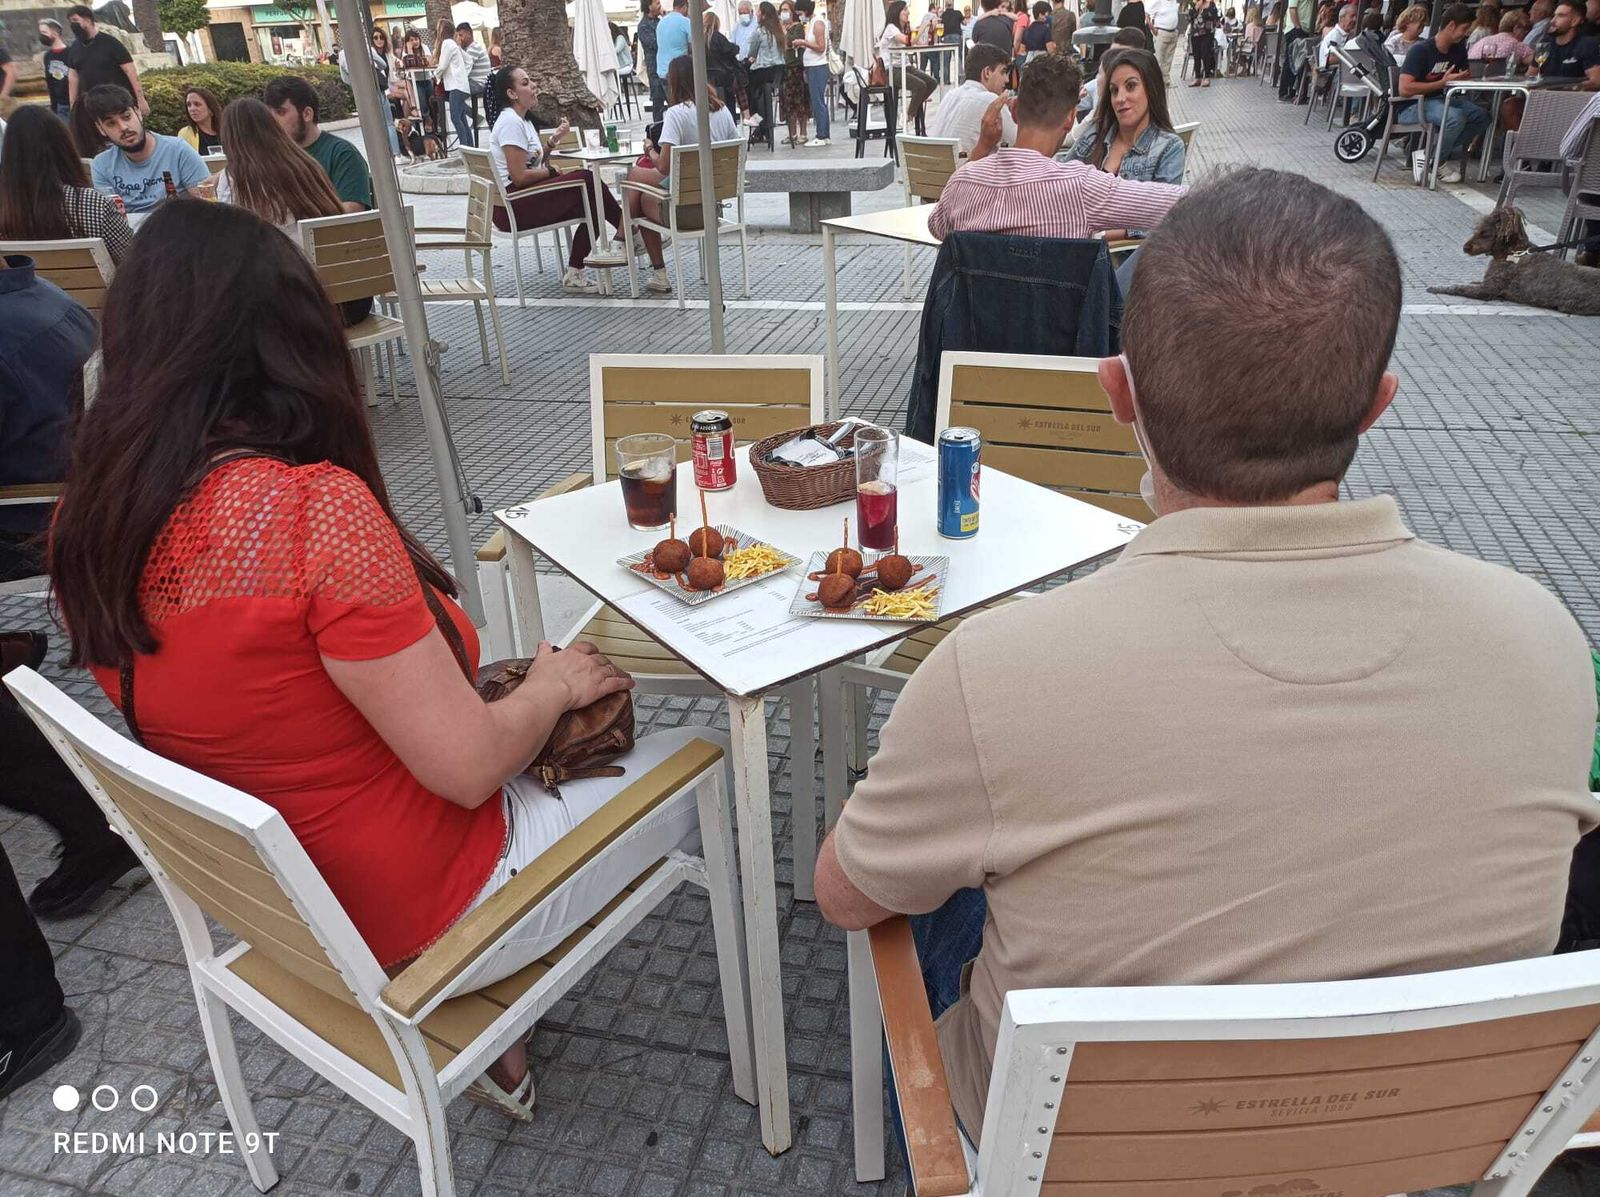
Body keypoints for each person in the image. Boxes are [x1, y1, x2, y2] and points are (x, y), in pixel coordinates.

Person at [815, 166, 1599, 1153]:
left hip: (1062, 1153)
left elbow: (845, 896)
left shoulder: (998, 675)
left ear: (1116, 392)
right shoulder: (1540, 640)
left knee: (949, 865)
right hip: (1392, 1155)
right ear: (1375, 405)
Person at [47, 198, 727, 1120]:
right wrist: (561, 679)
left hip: (283, 907)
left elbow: (286, 705)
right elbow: (468, 768)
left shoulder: (89, 524)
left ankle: (506, 1037)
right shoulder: (309, 512)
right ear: (288, 344)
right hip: (424, 910)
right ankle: (703, 1052)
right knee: (698, 776)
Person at [929, 53, 1185, 243]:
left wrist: (982, 147)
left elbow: (936, 227)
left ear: (1015, 111)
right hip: (1062, 315)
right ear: (1070, 118)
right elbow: (1178, 206)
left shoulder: (962, 183)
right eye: (1114, 90)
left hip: (980, 315)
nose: (1120, 99)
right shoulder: (1083, 188)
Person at [214, 98, 372, 327]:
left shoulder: (234, 181)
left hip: (305, 309)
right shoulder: (306, 162)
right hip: (352, 297)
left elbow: (232, 248)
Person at [486, 65, 625, 295]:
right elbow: (519, 177)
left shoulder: (523, 121)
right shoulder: (510, 122)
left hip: (519, 199)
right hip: (512, 207)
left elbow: (531, 163)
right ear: (511, 94)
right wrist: (552, 173)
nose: (533, 86)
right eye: (525, 83)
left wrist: (551, 143)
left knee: (593, 202)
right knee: (587, 179)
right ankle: (629, 230)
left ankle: (576, 271)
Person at [624, 55, 740, 293]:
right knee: (638, 183)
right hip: (712, 209)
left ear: (675, 83)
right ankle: (622, 238)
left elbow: (664, 167)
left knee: (636, 188)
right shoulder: (723, 110)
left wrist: (649, 148)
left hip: (682, 214)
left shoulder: (676, 114)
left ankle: (644, 259)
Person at [1066, 46, 1186, 239]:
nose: (1120, 99)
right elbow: (1061, 179)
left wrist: (1101, 235)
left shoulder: (1168, 147)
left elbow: (1166, 220)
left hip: (1127, 258)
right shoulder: (1096, 132)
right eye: (1114, 91)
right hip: (1077, 249)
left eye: (1131, 86)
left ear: (1150, 88)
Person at [0, 106, 134, 263]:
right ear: (64, 146)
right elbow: (134, 262)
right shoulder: (93, 204)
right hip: (93, 286)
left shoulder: (6, 206)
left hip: (20, 286)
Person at [1399, 3, 1492, 181]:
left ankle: (1430, 155)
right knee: (1455, 118)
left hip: (1441, 99)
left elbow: (1462, 76)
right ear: (1451, 26)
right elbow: (1404, 89)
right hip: (1412, 105)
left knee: (1482, 116)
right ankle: (1436, 164)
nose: (1466, 33)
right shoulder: (1421, 50)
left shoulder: (1458, 50)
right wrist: (1442, 82)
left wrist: (1461, 78)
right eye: (1464, 28)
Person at [85, 85, 208, 217]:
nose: (123, 127)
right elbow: (111, 219)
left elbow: (207, 202)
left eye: (126, 117)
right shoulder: (102, 165)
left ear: (138, 113)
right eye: (111, 124)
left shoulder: (178, 150)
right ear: (100, 129)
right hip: (131, 235)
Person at [263, 75, 372, 211]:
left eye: (281, 112)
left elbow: (353, 210)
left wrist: (298, 211)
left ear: (307, 114)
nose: (272, 121)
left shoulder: (342, 153)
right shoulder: (270, 158)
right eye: (269, 114)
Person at [930, 43, 1018, 151]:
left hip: (940, 164)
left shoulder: (950, 95)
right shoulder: (991, 101)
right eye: (1003, 72)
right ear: (987, 73)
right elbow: (1018, 142)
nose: (1007, 79)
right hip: (968, 166)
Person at [65, 5, 146, 116]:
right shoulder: (74, 48)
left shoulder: (111, 43)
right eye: (70, 22)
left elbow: (130, 71)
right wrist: (73, 107)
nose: (72, 25)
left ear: (88, 20)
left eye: (75, 20)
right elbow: (73, 78)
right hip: (92, 106)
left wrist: (140, 99)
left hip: (118, 103)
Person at [881, 1, 939, 127]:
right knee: (920, 86)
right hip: (892, 69)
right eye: (905, 9)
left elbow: (918, 44)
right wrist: (923, 27)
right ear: (897, 12)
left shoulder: (904, 28)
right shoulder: (891, 28)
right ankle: (908, 115)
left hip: (905, 66)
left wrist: (931, 32)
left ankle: (914, 104)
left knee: (932, 82)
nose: (908, 12)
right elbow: (909, 42)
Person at [745, 1, 789, 141]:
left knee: (748, 89)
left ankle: (758, 122)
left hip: (763, 72)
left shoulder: (759, 32)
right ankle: (763, 125)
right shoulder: (779, 32)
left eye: (758, 11)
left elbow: (751, 55)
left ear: (763, 15)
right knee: (763, 94)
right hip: (778, 74)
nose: (756, 14)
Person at [1531, 0, 1600, 86]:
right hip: (1542, 95)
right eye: (1554, 15)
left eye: (1560, 16)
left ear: (1575, 21)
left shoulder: (1587, 44)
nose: (1552, 21)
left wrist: (1564, 88)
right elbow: (1531, 75)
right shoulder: (1545, 43)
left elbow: (1596, 81)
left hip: (1573, 97)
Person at [434, 22, 477, 147]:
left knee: (455, 118)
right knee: (461, 118)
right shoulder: (454, 45)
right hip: (462, 85)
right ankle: (470, 146)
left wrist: (436, 76)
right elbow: (469, 60)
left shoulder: (447, 43)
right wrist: (463, 73)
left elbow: (442, 65)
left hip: (455, 86)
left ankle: (464, 147)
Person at [795, 0, 832, 144]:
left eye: (800, 13)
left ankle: (821, 135)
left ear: (806, 10)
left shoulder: (817, 23)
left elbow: (821, 46)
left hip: (818, 66)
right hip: (813, 66)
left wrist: (803, 43)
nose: (799, 16)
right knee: (818, 101)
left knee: (818, 102)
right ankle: (824, 134)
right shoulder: (812, 23)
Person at [781, 3, 813, 144]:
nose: (783, 13)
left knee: (799, 100)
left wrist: (783, 34)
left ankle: (803, 133)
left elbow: (790, 43)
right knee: (787, 102)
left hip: (796, 68)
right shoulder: (782, 28)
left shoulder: (798, 28)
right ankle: (791, 133)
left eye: (785, 10)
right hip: (784, 68)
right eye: (781, 10)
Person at [705, 11, 743, 111]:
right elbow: (732, 49)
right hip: (723, 78)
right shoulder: (717, 37)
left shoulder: (699, 39)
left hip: (707, 78)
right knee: (729, 105)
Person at [1469, 9, 1534, 65]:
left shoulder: (1481, 42)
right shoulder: (1517, 45)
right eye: (1526, 28)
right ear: (1516, 28)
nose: (1527, 32)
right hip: (1499, 78)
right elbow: (1536, 61)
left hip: (1472, 78)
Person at [39, 20, 72, 119]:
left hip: (73, 102)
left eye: (44, 32)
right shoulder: (47, 56)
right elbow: (50, 82)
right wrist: (54, 106)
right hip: (60, 105)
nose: (42, 36)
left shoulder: (70, 53)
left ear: (55, 33)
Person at [177, 86, 224, 155]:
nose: (192, 109)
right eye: (189, 105)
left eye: (197, 104)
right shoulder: (186, 134)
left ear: (211, 108)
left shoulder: (227, 132)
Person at [639, 0, 665, 121]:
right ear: (649, 6)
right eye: (657, 3)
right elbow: (654, 43)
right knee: (658, 103)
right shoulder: (643, 26)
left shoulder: (661, 22)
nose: (660, 5)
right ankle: (658, 131)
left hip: (666, 66)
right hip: (654, 68)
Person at [657, 0, 694, 80]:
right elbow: (694, 46)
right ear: (684, 7)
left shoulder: (661, 23)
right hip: (679, 70)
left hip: (663, 71)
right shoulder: (685, 21)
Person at [1147, 0, 1182, 79]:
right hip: (1162, 31)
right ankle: (1157, 80)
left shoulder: (1173, 1)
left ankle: (1166, 79)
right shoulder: (1158, 1)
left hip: (1173, 32)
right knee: (1159, 58)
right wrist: (1152, 28)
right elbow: (1146, 14)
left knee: (1168, 59)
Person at [1189, 0, 1223, 82]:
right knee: (1196, 56)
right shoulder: (1194, 5)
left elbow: (1213, 17)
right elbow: (1189, 17)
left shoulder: (1211, 5)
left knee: (1205, 55)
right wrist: (1196, 8)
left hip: (1207, 34)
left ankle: (1207, 77)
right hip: (1195, 34)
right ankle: (1197, 77)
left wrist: (1203, 10)